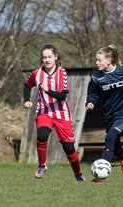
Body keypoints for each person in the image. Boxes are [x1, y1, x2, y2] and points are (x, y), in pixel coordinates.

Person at [85, 44, 123, 182]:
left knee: (110, 137)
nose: (96, 63)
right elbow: (92, 93)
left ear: (109, 60)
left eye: (99, 60)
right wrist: (90, 101)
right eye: (96, 60)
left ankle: (101, 174)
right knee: (114, 142)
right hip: (109, 114)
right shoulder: (96, 77)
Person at [23, 44, 86, 182]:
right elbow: (27, 86)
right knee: (42, 135)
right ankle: (42, 165)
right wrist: (27, 100)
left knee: (68, 147)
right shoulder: (36, 73)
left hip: (61, 113)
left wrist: (48, 90)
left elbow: (63, 96)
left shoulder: (62, 72)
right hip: (44, 112)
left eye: (50, 57)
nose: (47, 60)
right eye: (44, 57)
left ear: (56, 57)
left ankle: (78, 173)